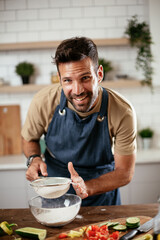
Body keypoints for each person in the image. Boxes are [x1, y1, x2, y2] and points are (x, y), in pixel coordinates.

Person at [22, 37, 137, 206]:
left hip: (102, 196)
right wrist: (34, 158)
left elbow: (124, 172)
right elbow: (29, 139)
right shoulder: (43, 101)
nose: (77, 90)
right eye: (67, 80)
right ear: (59, 79)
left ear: (99, 74)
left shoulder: (122, 111)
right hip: (55, 191)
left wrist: (87, 187)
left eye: (85, 78)